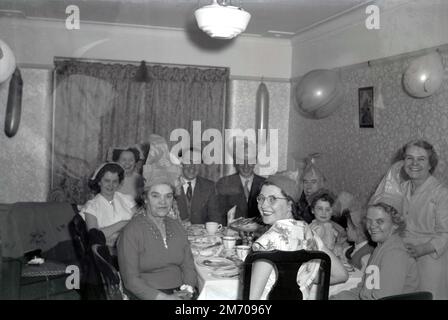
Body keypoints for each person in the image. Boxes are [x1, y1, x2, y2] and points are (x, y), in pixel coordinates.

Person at [249, 174, 348, 300]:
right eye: (261, 198)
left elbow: (251, 300)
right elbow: (341, 274)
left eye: (272, 199)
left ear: (290, 205)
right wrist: (306, 277)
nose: (263, 205)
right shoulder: (309, 234)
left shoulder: (267, 242)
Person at [117, 169, 197, 300]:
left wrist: (187, 289)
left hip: (180, 291)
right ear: (145, 199)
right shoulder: (131, 231)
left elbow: (188, 266)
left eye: (168, 196)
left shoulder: (177, 226)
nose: (163, 202)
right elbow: (131, 280)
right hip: (148, 295)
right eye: (155, 196)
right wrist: (165, 298)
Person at [332, 202, 419, 300]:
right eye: (369, 221)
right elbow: (362, 290)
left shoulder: (395, 254)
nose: (372, 226)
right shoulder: (380, 248)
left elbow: (384, 298)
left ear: (395, 224)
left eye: (379, 221)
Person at [399, 140, 448, 299]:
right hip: (404, 258)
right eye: (409, 158)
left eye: (421, 159)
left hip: (431, 261)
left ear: (430, 164)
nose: (414, 163)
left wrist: (421, 249)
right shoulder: (401, 188)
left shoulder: (441, 193)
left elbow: (445, 234)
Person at [81, 162, 136, 247]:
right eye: (107, 181)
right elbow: (95, 236)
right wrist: (124, 223)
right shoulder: (91, 207)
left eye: (115, 181)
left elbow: (140, 222)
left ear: (119, 183)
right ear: (99, 182)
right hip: (109, 253)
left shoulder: (127, 199)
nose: (111, 185)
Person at [216, 140, 265, 223]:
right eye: (241, 160)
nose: (246, 166)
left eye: (250, 160)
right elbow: (218, 214)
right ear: (236, 162)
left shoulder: (265, 184)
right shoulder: (224, 183)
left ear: (255, 161)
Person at [176, 147, 222, 224]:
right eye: (188, 162)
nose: (192, 167)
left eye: (197, 162)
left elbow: (215, 218)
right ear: (181, 163)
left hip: (202, 235)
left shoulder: (209, 186)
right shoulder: (170, 185)